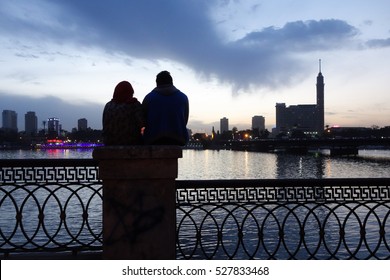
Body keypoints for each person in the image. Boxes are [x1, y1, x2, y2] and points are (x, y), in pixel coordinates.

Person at [142, 71, 189, 146]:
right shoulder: (183, 97)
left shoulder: (149, 97)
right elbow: (184, 120)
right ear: (171, 82)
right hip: (178, 139)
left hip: (153, 139)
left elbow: (143, 120)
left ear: (157, 83)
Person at [102, 81, 145, 145]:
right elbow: (142, 123)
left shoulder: (108, 106)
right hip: (131, 145)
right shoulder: (134, 105)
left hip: (110, 145)